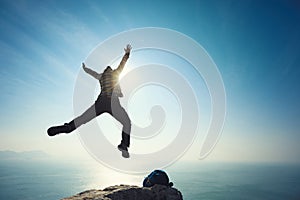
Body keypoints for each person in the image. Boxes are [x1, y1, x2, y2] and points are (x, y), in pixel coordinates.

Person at [47, 44, 132, 158]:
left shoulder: (101, 76)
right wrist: (127, 53)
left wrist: (85, 69)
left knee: (82, 119)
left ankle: (67, 128)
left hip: (101, 102)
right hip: (113, 102)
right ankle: (124, 145)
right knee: (127, 123)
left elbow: (92, 73)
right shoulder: (114, 73)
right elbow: (122, 64)